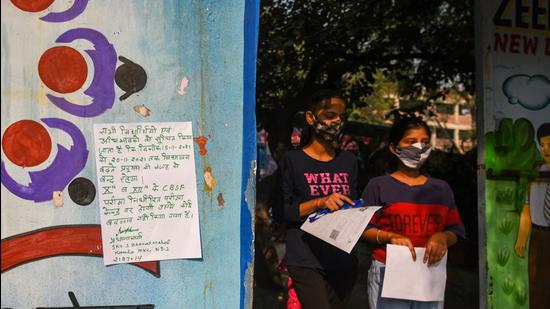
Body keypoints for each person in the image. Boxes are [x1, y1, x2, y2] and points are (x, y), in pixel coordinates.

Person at [361, 116, 465, 309]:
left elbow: (456, 230)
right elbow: (363, 229)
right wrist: (390, 237)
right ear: (393, 147)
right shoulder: (378, 186)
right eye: (410, 142)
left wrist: (443, 237)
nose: (419, 148)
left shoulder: (441, 189)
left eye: (425, 142)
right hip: (388, 270)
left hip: (430, 272)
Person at [280, 89, 359, 309]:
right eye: (329, 115)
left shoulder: (349, 161)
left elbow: (351, 206)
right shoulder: (292, 159)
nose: (336, 122)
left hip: (343, 261)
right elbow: (283, 212)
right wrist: (319, 203)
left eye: (341, 117)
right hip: (306, 259)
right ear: (310, 117)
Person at [514, 122, 550, 309]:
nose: (546, 149)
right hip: (538, 236)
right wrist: (522, 236)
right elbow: (527, 207)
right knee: (538, 286)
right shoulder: (535, 173)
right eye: (542, 145)